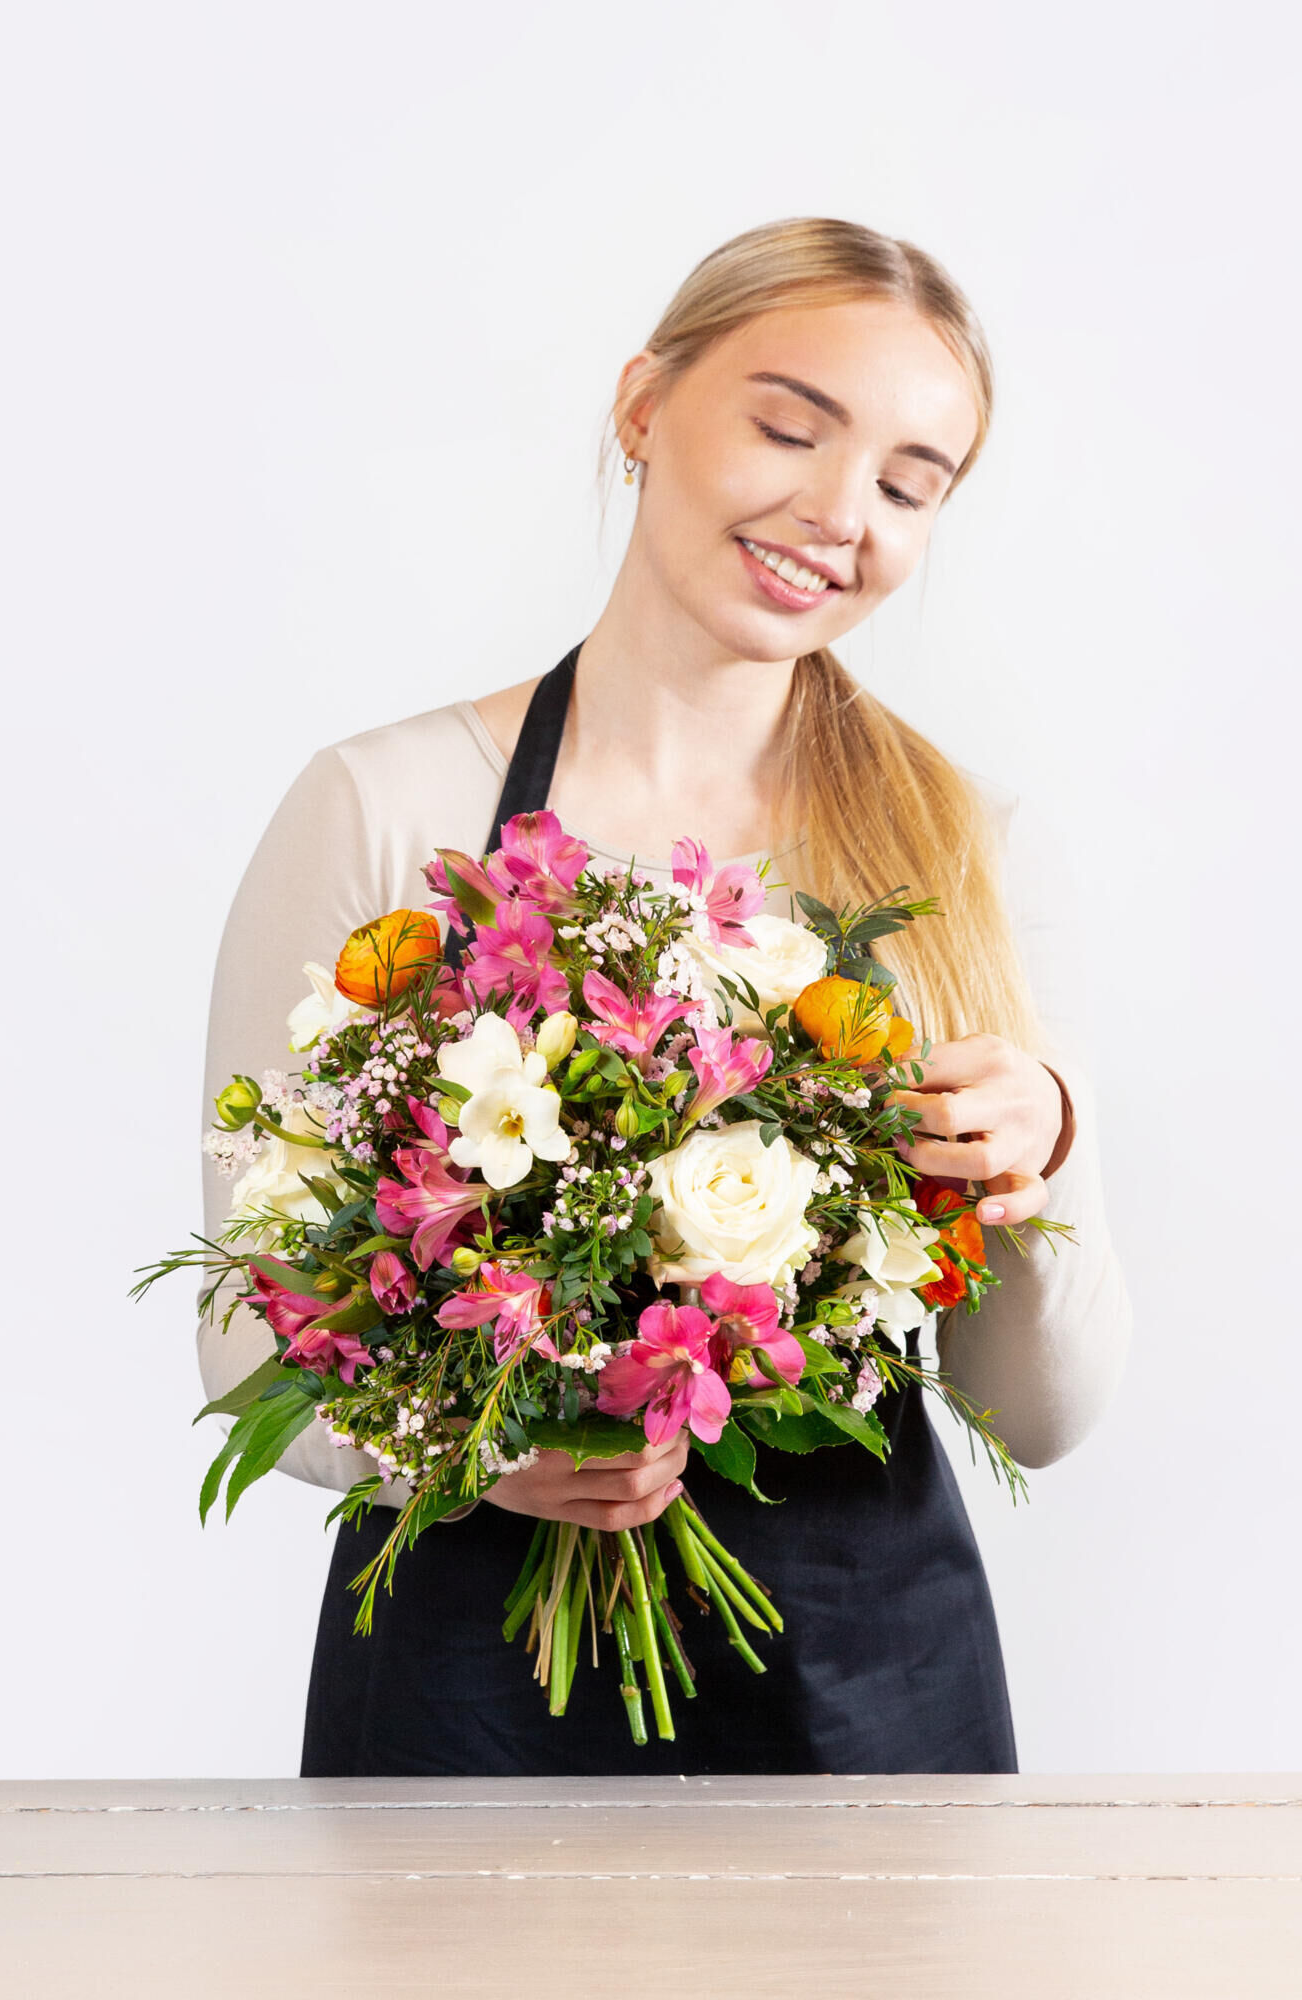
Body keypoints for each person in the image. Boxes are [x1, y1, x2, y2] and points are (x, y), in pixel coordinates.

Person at [199, 216, 1132, 1778]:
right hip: (463, 1684)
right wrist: (476, 1450)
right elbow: (252, 1348)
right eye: (788, 425)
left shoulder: (961, 846)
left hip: (871, 1692)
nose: (840, 514)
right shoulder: (383, 802)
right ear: (643, 406)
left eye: (910, 486)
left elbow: (1041, 1415)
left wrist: (1049, 1149)